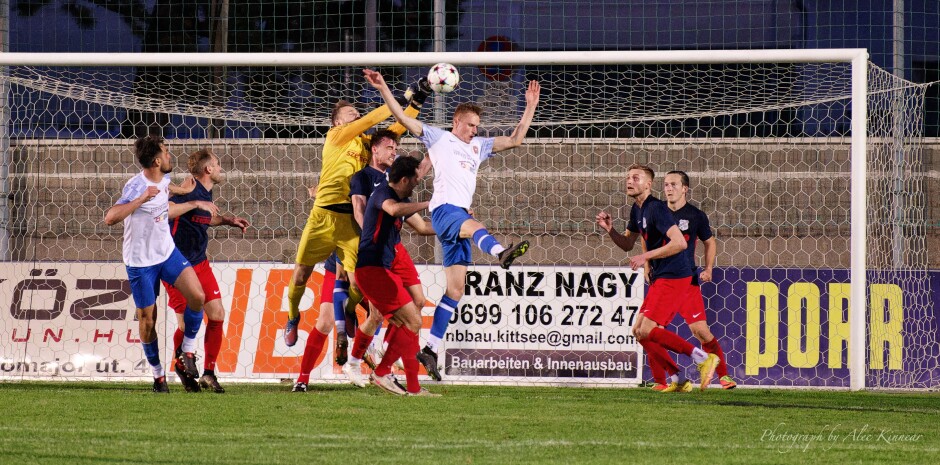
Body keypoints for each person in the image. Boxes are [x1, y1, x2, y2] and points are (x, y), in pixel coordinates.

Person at [363, 68, 540, 381]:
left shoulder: (479, 146)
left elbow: (515, 140)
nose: (474, 130)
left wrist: (529, 107)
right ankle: (500, 252)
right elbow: (403, 120)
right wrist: (383, 89)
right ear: (457, 120)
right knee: (475, 225)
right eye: (470, 125)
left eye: (477, 127)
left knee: (456, 289)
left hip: (458, 217)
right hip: (446, 211)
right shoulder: (438, 138)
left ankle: (430, 348)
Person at [282, 81, 429, 354]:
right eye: (351, 114)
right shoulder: (336, 136)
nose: (356, 116)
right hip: (323, 216)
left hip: (350, 220)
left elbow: (394, 131)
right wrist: (404, 93)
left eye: (356, 114)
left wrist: (417, 102)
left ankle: (349, 312)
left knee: (360, 284)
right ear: (338, 121)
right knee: (301, 273)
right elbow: (376, 117)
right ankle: (292, 316)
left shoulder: (364, 144)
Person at [595, 164, 719, 392]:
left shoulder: (656, 209)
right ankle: (679, 379)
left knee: (647, 330)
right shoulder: (637, 209)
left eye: (636, 177)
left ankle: (702, 358)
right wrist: (610, 230)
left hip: (676, 275)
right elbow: (627, 244)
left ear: (648, 184)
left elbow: (680, 243)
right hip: (662, 275)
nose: (629, 181)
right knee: (638, 332)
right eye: (628, 177)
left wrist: (646, 257)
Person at [103, 135, 207, 393]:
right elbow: (110, 218)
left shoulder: (164, 180)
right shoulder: (136, 186)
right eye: (167, 153)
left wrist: (185, 192)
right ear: (157, 160)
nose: (171, 156)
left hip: (167, 254)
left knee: (197, 296)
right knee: (148, 320)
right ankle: (158, 376)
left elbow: (166, 193)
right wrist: (140, 200)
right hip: (140, 263)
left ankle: (188, 352)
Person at [161, 148, 249, 393]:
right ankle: (180, 363)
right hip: (175, 265)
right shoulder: (188, 189)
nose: (220, 168)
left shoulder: (205, 194)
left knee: (217, 313)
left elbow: (203, 218)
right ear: (208, 169)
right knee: (187, 323)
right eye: (217, 164)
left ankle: (209, 373)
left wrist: (228, 221)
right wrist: (191, 200)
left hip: (199, 262)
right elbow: (166, 209)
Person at [354, 156, 437, 396]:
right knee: (413, 321)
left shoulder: (401, 196)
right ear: (403, 180)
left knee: (408, 324)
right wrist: (428, 203)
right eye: (414, 181)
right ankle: (380, 372)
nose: (416, 184)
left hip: (380, 270)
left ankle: (413, 387)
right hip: (372, 270)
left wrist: (457, 225)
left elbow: (422, 228)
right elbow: (393, 209)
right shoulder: (383, 194)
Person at [662, 170, 735, 390]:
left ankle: (724, 376)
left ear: (685, 188)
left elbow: (709, 242)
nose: (668, 188)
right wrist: (647, 265)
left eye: (673, 184)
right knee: (650, 332)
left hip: (686, 282)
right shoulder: (657, 212)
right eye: (665, 184)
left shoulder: (695, 215)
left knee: (701, 332)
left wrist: (708, 268)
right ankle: (670, 379)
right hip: (663, 282)